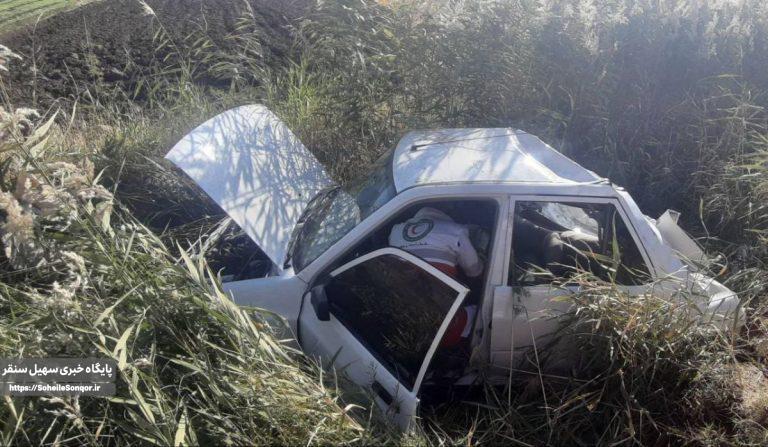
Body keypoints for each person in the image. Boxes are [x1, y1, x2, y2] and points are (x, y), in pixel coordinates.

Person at [389, 207, 483, 347]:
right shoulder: (456, 231)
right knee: (482, 313)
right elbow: (474, 270)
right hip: (440, 319)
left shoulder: (395, 231)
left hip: (404, 312)